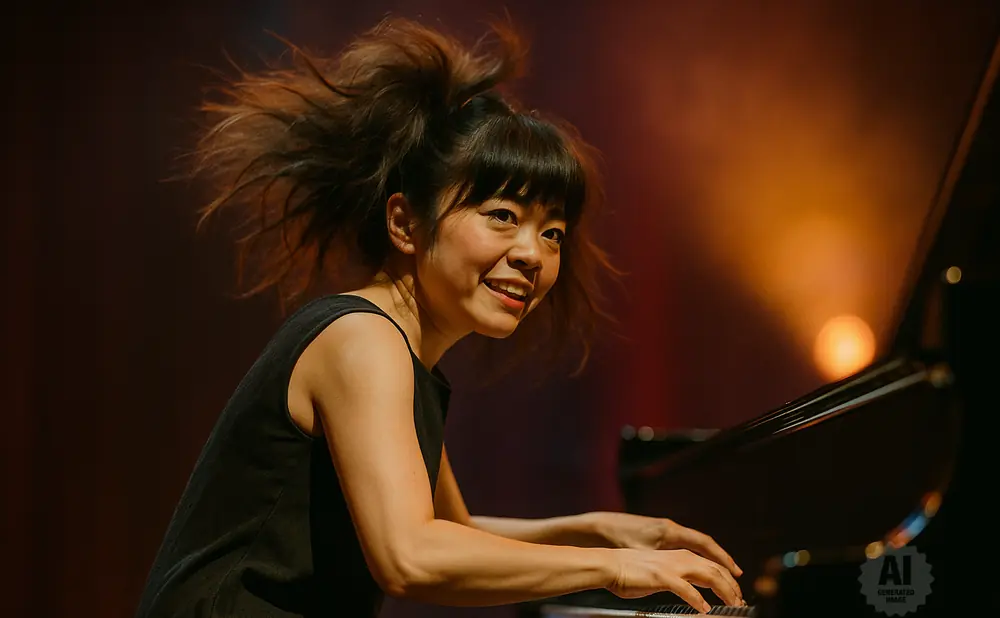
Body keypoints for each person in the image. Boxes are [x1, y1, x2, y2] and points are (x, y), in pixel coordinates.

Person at [135, 17, 745, 618]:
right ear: (404, 223)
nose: (534, 254)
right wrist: (612, 569)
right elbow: (411, 557)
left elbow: (453, 532)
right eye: (502, 215)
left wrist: (599, 533)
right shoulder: (362, 338)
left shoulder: (401, 353)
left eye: (553, 232)